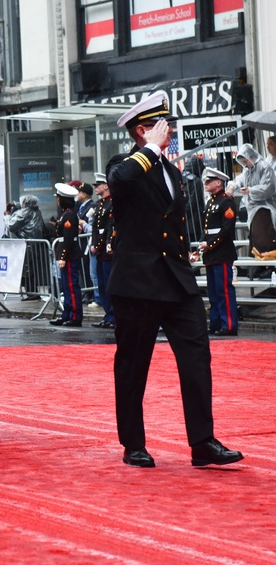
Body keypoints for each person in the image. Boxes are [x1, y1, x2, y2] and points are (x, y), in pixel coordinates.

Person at [107, 89, 242, 468]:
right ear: (142, 131)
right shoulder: (125, 163)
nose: (170, 132)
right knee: (134, 364)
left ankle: (203, 442)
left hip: (176, 279)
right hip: (137, 281)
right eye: (161, 126)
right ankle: (133, 442)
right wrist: (149, 149)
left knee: (197, 357)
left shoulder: (169, 170)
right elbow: (123, 179)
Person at [198, 167, 239, 336]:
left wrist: (210, 244)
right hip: (211, 253)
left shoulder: (226, 202)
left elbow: (226, 230)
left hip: (221, 252)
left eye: (209, 181)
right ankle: (216, 322)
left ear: (219, 183)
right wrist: (202, 242)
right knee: (213, 291)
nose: (206, 184)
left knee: (224, 290)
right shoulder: (211, 202)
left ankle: (228, 324)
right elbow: (207, 228)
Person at [232, 143, 276, 256]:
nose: (244, 164)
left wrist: (250, 191)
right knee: (256, 238)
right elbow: (239, 181)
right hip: (252, 209)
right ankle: (259, 264)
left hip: (264, 208)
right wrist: (232, 187)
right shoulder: (247, 171)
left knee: (263, 238)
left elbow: (268, 188)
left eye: (245, 161)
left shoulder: (264, 167)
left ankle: (266, 264)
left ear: (251, 157)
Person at [49, 183, 83, 327]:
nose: (57, 200)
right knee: (66, 286)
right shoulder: (66, 214)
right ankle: (67, 314)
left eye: (59, 198)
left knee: (71, 286)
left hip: (69, 254)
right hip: (67, 252)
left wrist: (63, 256)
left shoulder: (69, 214)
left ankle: (75, 315)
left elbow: (68, 239)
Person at [7, 195, 48, 297]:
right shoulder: (37, 212)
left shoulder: (24, 212)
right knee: (32, 269)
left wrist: (8, 217)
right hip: (36, 244)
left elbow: (11, 226)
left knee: (27, 270)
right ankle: (32, 292)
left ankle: (31, 293)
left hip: (26, 244)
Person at [89, 173, 115, 329]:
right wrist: (94, 244)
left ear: (106, 186)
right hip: (99, 250)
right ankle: (107, 314)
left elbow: (109, 227)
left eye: (98, 185)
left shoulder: (112, 203)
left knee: (109, 284)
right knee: (102, 284)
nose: (95, 187)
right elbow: (94, 228)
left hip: (106, 250)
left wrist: (102, 245)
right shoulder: (98, 205)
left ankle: (113, 315)